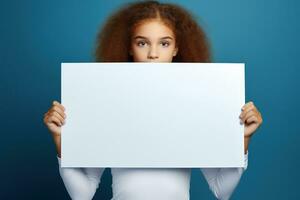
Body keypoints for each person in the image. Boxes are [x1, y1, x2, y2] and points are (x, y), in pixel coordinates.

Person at [43, 1, 263, 199]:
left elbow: (220, 189)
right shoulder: (109, 103)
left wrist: (242, 138)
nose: (153, 54)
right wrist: (60, 139)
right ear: (129, 47)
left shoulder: (193, 107)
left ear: (176, 48)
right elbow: (82, 193)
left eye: (164, 43)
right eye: (142, 43)